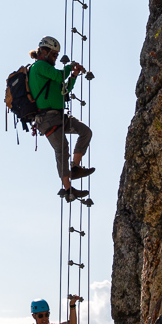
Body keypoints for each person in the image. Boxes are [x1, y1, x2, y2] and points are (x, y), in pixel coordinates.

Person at [28, 36, 94, 203]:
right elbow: (59, 76)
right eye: (54, 54)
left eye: (57, 55)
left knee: (85, 132)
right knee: (62, 149)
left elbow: (64, 90)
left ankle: (75, 167)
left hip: (58, 116)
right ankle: (68, 188)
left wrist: (74, 75)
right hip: (47, 118)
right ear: (44, 51)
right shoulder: (39, 66)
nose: (55, 58)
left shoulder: (48, 71)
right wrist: (70, 66)